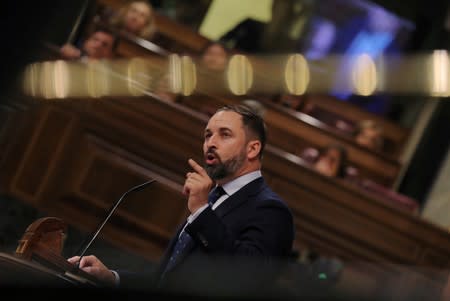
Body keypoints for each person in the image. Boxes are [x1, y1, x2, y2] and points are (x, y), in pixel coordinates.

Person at [67, 104, 295, 297]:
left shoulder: (270, 209)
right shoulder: (213, 198)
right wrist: (111, 278)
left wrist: (201, 212)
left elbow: (247, 279)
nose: (210, 143)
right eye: (208, 135)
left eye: (224, 134)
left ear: (253, 148)